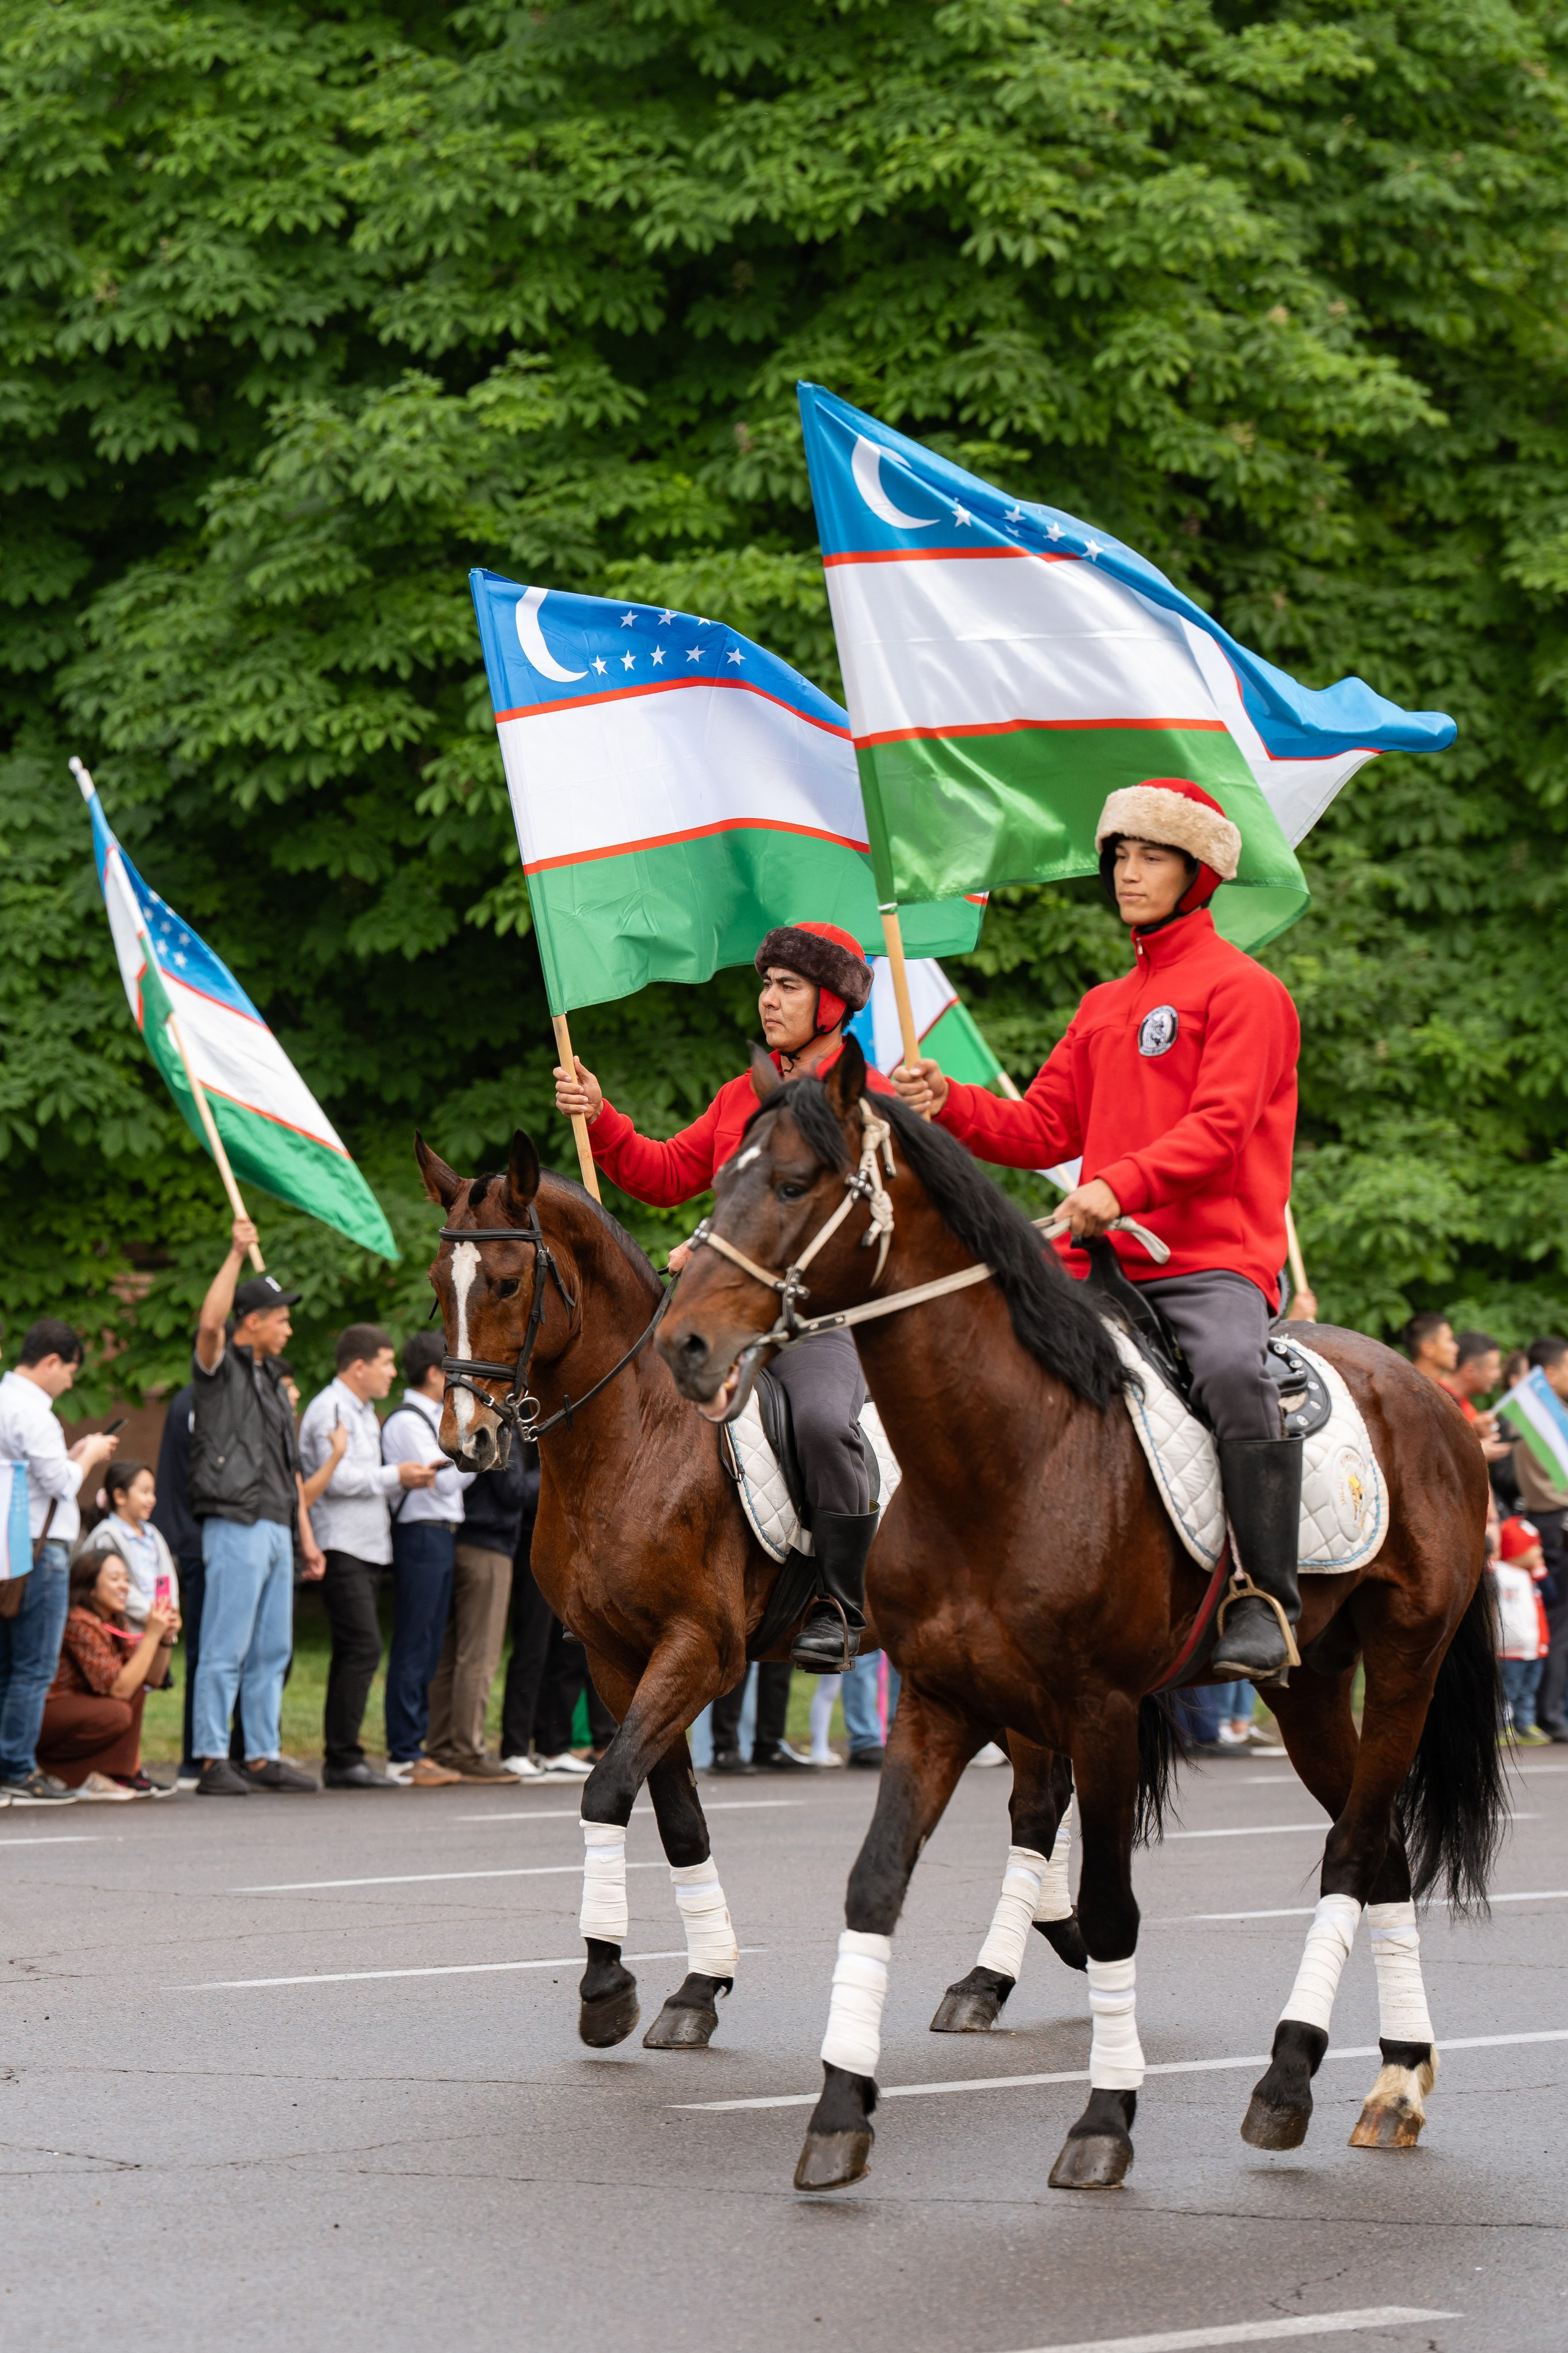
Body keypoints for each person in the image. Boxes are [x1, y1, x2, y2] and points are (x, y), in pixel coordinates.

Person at [894, 779, 1303, 1683]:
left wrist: (1119, 1185)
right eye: (1120, 854)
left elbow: (1224, 1125)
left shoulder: (1249, 991)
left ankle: (1266, 1596)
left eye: (1152, 855)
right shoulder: (1102, 1003)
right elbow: (1042, 1130)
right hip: (1089, 1262)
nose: (1128, 872)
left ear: (1199, 875)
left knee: (1236, 1376)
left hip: (1207, 1264)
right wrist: (950, 1103)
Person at [556, 921, 892, 1671]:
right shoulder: (740, 1093)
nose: (768, 999)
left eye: (789, 986)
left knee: (821, 1420)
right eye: (765, 983)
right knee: (618, 1399)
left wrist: (706, 1246)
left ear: (834, 1003)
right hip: (722, 1320)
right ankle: (616, 1587)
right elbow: (666, 1173)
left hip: (814, 1320)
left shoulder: (863, 1098)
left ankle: (841, 1603)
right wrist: (602, 1117)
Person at [188, 1219, 324, 1796]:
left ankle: (264, 1754)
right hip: (236, 1522)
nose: (289, 1327)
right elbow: (210, 1322)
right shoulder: (220, 1372)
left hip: (274, 1525)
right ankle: (212, 1755)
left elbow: (288, 1467)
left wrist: (306, 1536)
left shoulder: (273, 1379)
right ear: (253, 1322)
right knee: (225, 1646)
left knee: (273, 1648)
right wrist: (236, 1252)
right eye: (281, 1317)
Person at [299, 1326, 442, 1789]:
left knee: (357, 1649)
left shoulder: (362, 1410)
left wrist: (395, 1477)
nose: (392, 1371)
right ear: (358, 1366)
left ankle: (345, 1755)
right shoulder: (330, 1408)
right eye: (384, 1362)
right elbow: (334, 1480)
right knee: (362, 1647)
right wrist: (395, 1475)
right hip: (341, 1542)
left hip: (366, 1543)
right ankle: (342, 1757)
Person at [0, 1319, 119, 1804]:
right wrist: (88, 1455)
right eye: (69, 1371)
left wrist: (69, 1457)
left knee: (9, 1661)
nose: (70, 1382)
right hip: (40, 1547)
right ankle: (17, 1767)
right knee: (34, 1665)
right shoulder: (34, 1411)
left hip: (10, 1541)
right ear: (52, 1361)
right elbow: (63, 1484)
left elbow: (33, 1473)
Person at [382, 1331, 474, 1785]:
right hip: (420, 1533)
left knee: (431, 1642)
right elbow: (442, 1481)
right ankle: (403, 1752)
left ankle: (414, 1746)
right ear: (436, 1373)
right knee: (415, 1642)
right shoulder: (408, 1421)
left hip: (438, 1534)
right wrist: (476, 1454)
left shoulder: (428, 1417)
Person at [425, 1441, 529, 1782]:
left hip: (460, 1540)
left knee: (450, 1655)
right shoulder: (501, 1425)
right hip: (489, 1548)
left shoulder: (473, 1418)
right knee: (478, 1656)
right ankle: (467, 1751)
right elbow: (512, 1489)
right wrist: (550, 1477)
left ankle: (441, 1745)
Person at [37, 1549, 180, 1796]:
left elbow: (152, 1679)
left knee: (134, 1692)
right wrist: (152, 1634)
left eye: (126, 1579)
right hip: (49, 1711)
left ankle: (120, 1772)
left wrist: (165, 1638)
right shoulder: (78, 1621)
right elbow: (119, 1688)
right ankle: (57, 1770)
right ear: (91, 1586)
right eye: (115, 1579)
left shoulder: (115, 1621)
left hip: (76, 1708)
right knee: (116, 1712)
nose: (124, 1586)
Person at [1514, 1337, 1568, 1742]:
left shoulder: (1531, 1415)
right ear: (1549, 1373)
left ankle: (1550, 1710)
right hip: (1556, 1521)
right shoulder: (1544, 1417)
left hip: (1545, 1521)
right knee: (1558, 1625)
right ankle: (1552, 1713)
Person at [77, 1461, 179, 1628]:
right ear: (120, 1496)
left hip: (159, 1623)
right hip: (124, 1627)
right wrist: (150, 1614)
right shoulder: (106, 1536)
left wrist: (170, 1612)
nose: (152, 1499)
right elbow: (112, 1587)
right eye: (145, 1492)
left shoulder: (153, 1534)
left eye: (153, 1492)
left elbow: (167, 1576)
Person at [1493, 1514, 1551, 1746]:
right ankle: (1502, 1725)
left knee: (1529, 1691)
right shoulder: (1499, 1572)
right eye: (1532, 1547)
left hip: (1534, 1646)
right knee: (1507, 1691)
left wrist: (1540, 1573)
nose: (1539, 1552)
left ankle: (1525, 1724)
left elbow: (1552, 1596)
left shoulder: (1533, 1575)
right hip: (1508, 1648)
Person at [1400, 1312, 1458, 1386]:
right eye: (1449, 1340)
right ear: (1428, 1349)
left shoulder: (1442, 1391)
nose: (1456, 1348)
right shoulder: (1407, 1389)